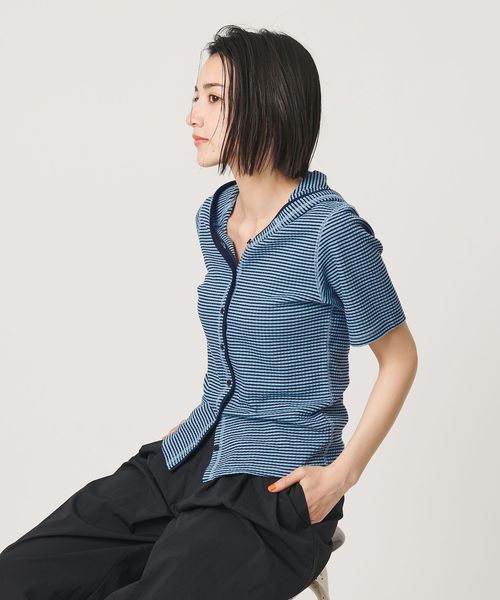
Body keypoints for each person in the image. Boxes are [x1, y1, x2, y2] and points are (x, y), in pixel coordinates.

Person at [0, 25, 418, 599]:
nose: (193, 115)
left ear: (269, 107)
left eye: (214, 98)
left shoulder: (331, 230)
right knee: (18, 578)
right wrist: (207, 417)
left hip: (274, 489)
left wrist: (341, 475)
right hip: (190, 457)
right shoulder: (216, 217)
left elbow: (399, 357)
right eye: (196, 95)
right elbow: (243, 354)